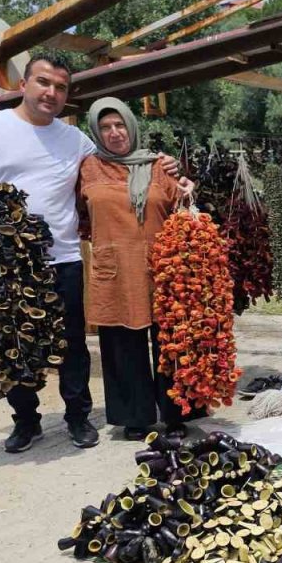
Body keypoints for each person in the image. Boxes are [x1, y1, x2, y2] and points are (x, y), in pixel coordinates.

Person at [0, 53, 180, 453]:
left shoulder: (75, 139)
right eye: (43, 82)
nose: (51, 92)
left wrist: (162, 164)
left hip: (63, 255)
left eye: (60, 87)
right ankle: (26, 421)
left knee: (71, 345)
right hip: (8, 259)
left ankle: (78, 417)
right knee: (14, 343)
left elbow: (115, 162)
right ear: (24, 84)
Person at [79, 97, 196, 441]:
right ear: (96, 132)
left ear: (131, 125)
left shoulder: (159, 165)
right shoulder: (88, 167)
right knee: (121, 342)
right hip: (114, 269)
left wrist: (189, 187)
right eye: (105, 127)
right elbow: (77, 210)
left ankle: (176, 412)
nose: (114, 133)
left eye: (119, 125)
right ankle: (135, 416)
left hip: (162, 267)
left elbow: (181, 199)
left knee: (171, 340)